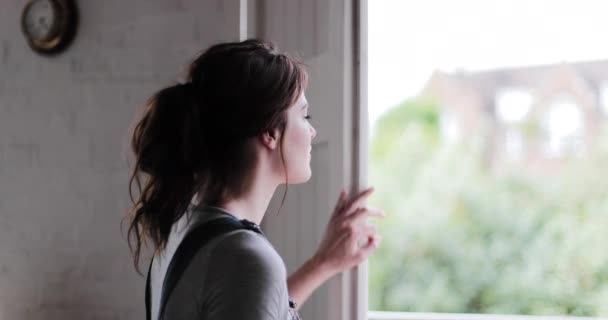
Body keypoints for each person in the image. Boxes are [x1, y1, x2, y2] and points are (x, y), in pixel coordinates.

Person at [126, 39, 385, 320]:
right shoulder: (243, 258)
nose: (312, 131)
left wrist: (322, 263)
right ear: (270, 132)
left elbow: (244, 303)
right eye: (304, 114)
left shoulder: (184, 230)